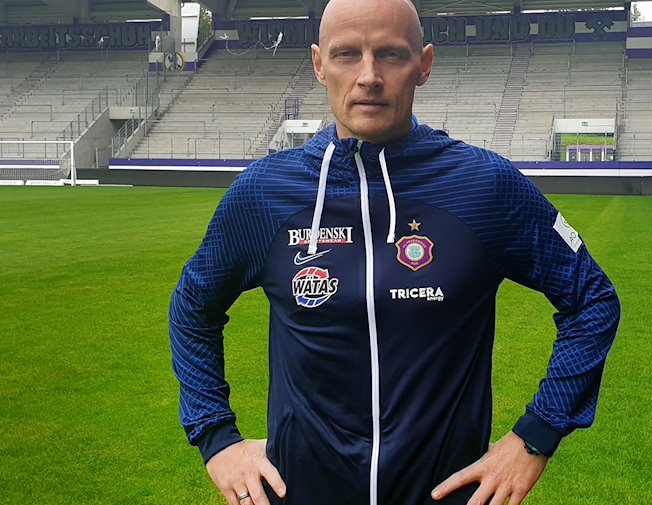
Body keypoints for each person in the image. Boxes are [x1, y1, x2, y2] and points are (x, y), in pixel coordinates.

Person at [169, 0, 620, 504]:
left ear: (423, 64)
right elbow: (193, 305)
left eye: (390, 54)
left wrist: (534, 437)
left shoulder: (483, 187)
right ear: (319, 64)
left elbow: (592, 299)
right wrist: (217, 438)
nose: (368, 76)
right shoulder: (265, 195)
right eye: (346, 55)